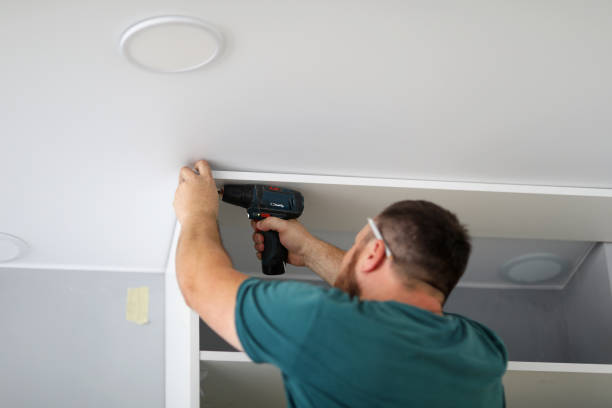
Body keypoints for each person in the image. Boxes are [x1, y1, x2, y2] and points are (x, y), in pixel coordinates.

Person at [173, 160, 507, 408]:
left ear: (374, 252)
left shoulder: (322, 321)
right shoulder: (480, 349)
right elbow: (386, 302)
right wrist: (310, 250)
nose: (349, 256)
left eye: (357, 245)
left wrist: (197, 213)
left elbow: (199, 285)